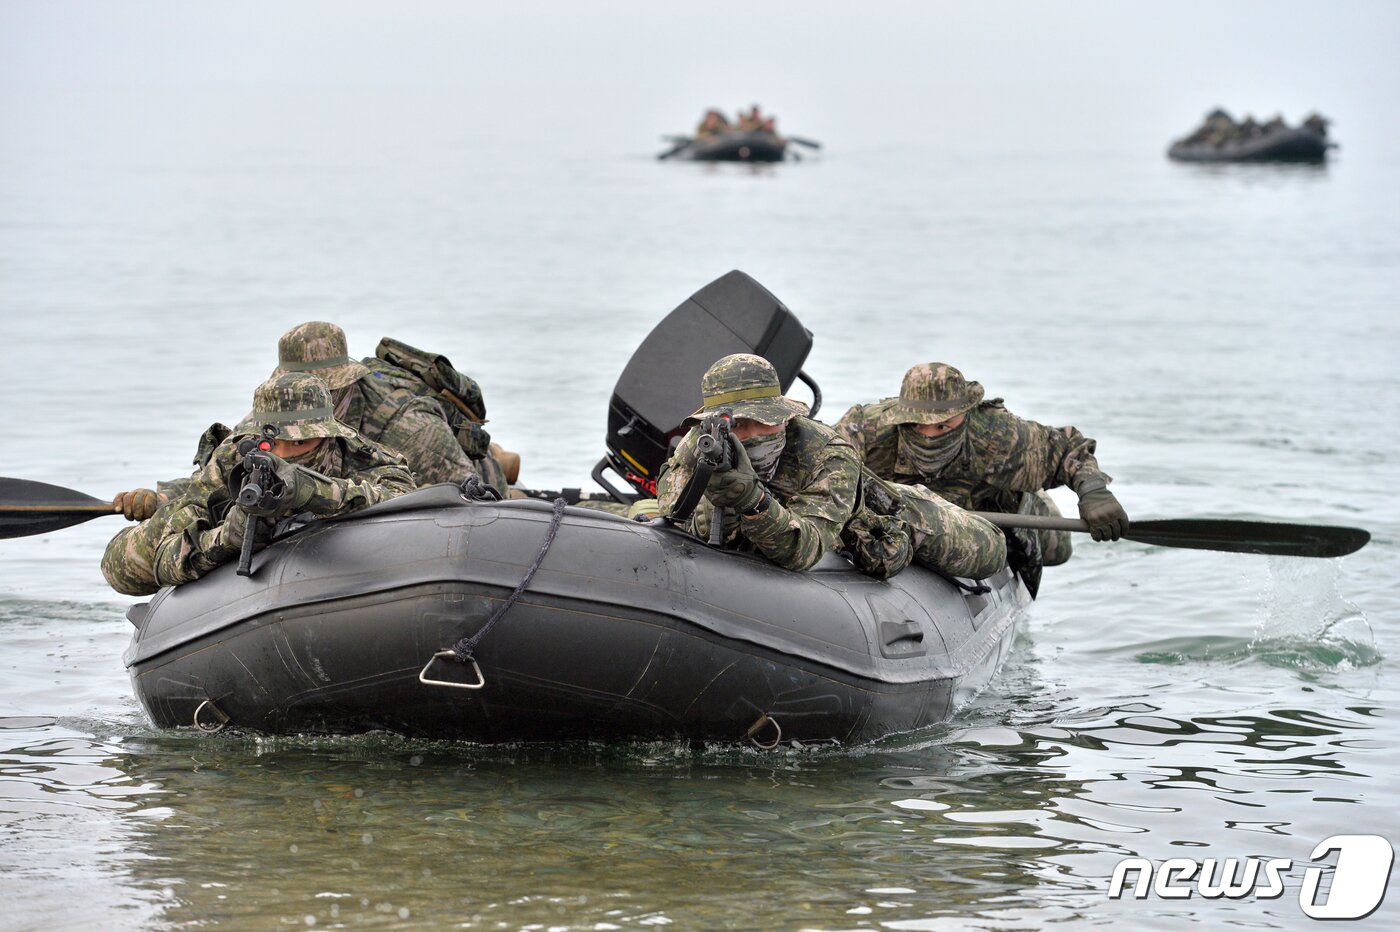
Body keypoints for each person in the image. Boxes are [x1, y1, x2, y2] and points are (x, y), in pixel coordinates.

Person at [111, 321, 505, 521]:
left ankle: (503, 459)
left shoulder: (411, 427)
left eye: (324, 387)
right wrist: (162, 497)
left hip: (453, 472)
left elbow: (470, 503)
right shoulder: (285, 410)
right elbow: (219, 476)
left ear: (346, 382)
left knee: (496, 476)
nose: (313, 398)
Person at [101, 372, 417, 596]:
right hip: (244, 572)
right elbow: (164, 557)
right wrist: (225, 539)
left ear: (327, 434)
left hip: (350, 570)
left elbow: (405, 504)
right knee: (129, 559)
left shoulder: (363, 456)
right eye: (273, 444)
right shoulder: (231, 460)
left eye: (299, 444)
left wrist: (312, 491)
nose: (284, 454)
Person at [835, 363, 1129, 570]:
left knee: (1057, 552)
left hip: (992, 508)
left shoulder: (997, 433)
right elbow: (823, 460)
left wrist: (1093, 492)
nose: (928, 435)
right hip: (907, 511)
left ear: (964, 415)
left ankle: (1033, 496)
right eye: (916, 426)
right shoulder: (866, 430)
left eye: (942, 426)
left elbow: (1068, 448)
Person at [655, 353, 858, 572]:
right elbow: (671, 515)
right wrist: (707, 515)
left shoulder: (827, 453)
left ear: (784, 417)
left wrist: (753, 501)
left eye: (765, 420)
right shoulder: (704, 443)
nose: (754, 434)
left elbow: (804, 552)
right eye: (739, 425)